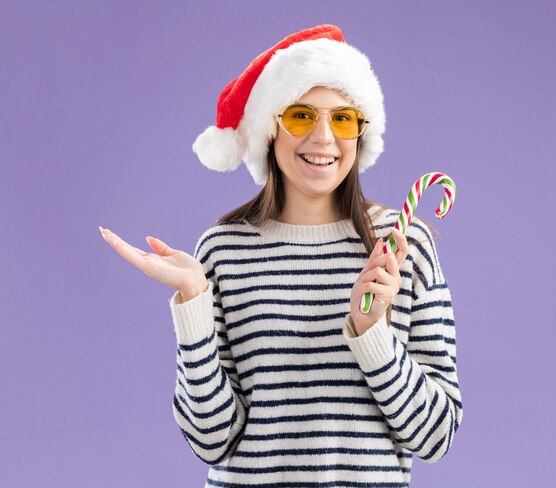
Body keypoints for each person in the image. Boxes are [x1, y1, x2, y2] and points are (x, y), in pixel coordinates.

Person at [100, 24, 463, 488]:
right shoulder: (222, 250)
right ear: (270, 128)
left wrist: (373, 333)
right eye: (301, 116)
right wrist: (193, 302)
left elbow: (436, 436)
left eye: (343, 118)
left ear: (361, 132)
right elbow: (210, 441)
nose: (324, 137)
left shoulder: (403, 244)